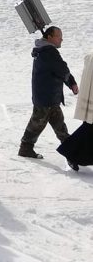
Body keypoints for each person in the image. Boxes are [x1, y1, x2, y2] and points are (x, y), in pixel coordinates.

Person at [18, 26, 78, 159]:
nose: (61, 39)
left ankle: (71, 152)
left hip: (47, 96)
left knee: (58, 125)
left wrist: (70, 83)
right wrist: (72, 83)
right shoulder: (48, 51)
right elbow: (61, 69)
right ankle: (26, 148)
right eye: (59, 36)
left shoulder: (43, 50)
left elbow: (58, 69)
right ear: (49, 37)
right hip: (46, 97)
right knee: (38, 124)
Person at [57, 51, 93, 170]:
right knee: (88, 129)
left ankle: (71, 153)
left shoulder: (90, 56)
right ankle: (70, 152)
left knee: (88, 129)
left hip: (89, 99)